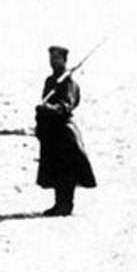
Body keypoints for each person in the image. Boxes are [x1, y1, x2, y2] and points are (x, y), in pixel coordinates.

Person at [35, 46, 96, 216]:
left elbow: (66, 106)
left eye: (57, 59)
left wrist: (49, 108)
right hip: (51, 131)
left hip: (64, 132)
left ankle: (65, 205)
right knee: (55, 168)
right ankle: (58, 204)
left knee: (66, 169)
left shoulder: (69, 83)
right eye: (51, 58)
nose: (53, 62)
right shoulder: (50, 81)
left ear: (64, 60)